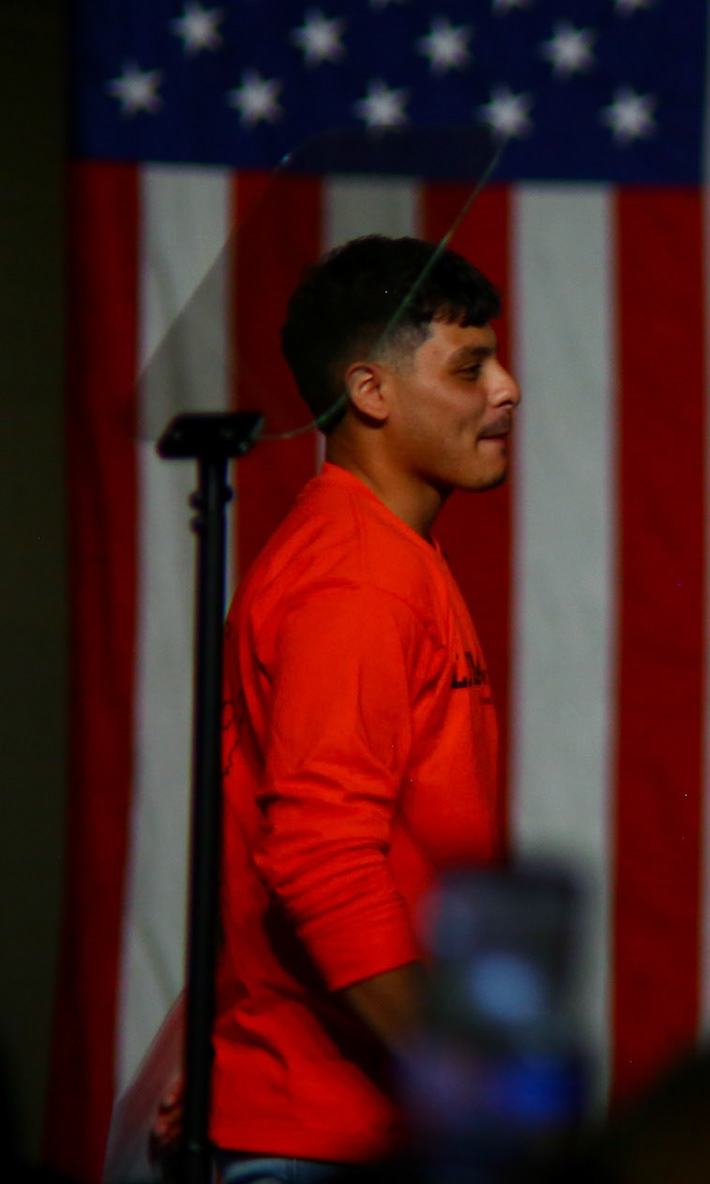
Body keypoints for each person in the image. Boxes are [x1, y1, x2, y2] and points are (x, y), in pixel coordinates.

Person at [206, 236, 519, 1177]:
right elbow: (320, 857)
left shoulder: (382, 555)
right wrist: (475, 1092)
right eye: (469, 367)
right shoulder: (357, 576)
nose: (505, 388)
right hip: (327, 1141)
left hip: (354, 1123)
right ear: (372, 392)